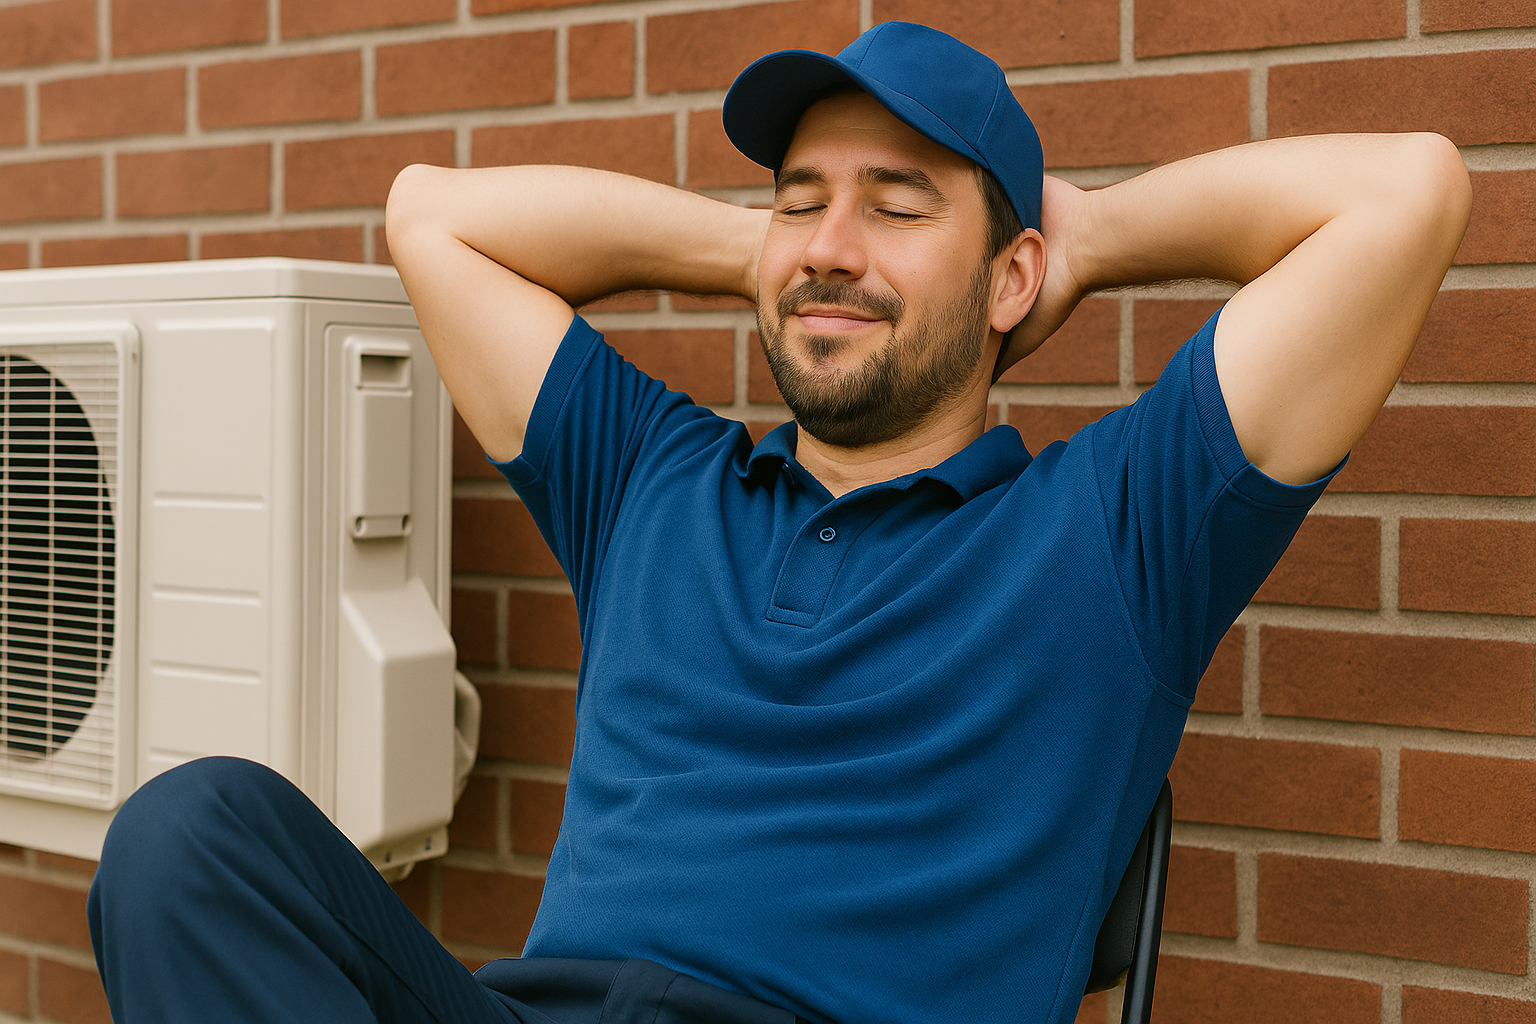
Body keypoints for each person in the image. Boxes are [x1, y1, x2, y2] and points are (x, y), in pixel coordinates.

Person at [88, 21, 1471, 1024]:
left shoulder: (1120, 527)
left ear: (1012, 280)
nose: (828, 244)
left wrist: (1092, 242)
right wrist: (768, 253)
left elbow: (1404, 193)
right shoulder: (649, 481)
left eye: (897, 205)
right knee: (191, 834)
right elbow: (434, 221)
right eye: (799, 202)